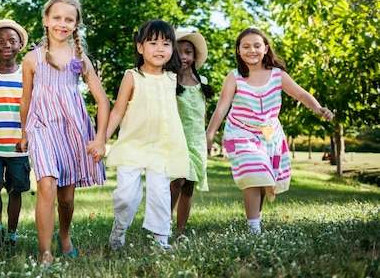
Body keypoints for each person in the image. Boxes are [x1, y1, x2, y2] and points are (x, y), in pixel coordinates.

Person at [205, 27, 333, 234]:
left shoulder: (277, 75)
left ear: (266, 48)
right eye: (245, 46)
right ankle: (253, 227)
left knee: (264, 177)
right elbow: (222, 107)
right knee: (254, 171)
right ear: (238, 51)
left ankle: (257, 217)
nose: (251, 50)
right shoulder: (235, 77)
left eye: (257, 45)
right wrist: (210, 134)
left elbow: (301, 94)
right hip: (240, 132)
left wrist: (318, 108)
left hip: (269, 134)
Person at [18, 0, 109, 266]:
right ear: (45, 19)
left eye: (69, 19)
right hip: (42, 127)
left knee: (66, 199)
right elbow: (25, 99)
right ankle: (45, 252)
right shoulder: (31, 59)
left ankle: (64, 234)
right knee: (46, 185)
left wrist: (101, 139)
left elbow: (102, 101)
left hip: (72, 130)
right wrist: (24, 132)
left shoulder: (79, 59)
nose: (62, 23)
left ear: (75, 24)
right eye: (56, 17)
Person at [106, 20, 190, 251]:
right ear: (140, 47)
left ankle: (161, 241)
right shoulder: (132, 76)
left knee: (160, 195)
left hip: (160, 148)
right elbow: (117, 111)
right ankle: (119, 231)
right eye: (153, 43)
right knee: (126, 197)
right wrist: (101, 140)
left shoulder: (172, 79)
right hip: (132, 146)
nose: (160, 48)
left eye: (166, 43)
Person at [0, 19, 31, 252]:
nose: (6, 45)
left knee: (15, 189)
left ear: (20, 45)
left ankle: (12, 233)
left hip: (19, 144)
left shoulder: (28, 76)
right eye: (0, 41)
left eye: (12, 41)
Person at [170, 31, 215, 241]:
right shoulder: (169, 80)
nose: (183, 57)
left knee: (189, 185)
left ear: (194, 56)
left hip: (196, 139)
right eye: (178, 53)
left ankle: (180, 231)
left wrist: (207, 137)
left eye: (187, 52)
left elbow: (202, 113)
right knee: (176, 181)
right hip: (177, 138)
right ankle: (162, 224)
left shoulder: (201, 81)